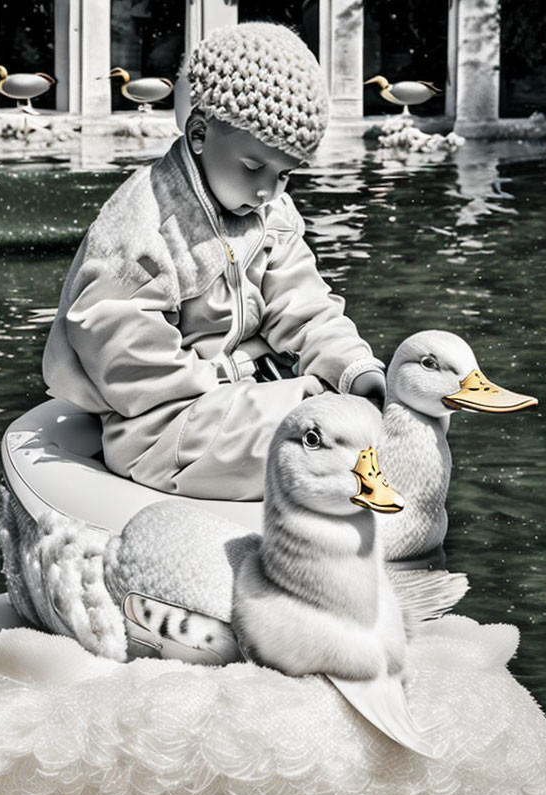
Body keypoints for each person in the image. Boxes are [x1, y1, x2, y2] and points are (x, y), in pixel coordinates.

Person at [43, 22, 386, 500]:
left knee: (374, 419)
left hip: (243, 397)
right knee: (311, 435)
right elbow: (121, 349)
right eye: (253, 167)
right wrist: (227, 379)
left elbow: (304, 302)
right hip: (163, 426)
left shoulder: (270, 212)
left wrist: (352, 368)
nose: (268, 190)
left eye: (285, 175)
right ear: (200, 133)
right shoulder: (145, 224)